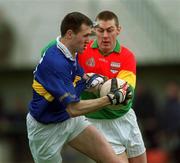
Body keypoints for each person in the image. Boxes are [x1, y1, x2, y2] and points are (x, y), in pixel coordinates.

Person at [26, 12, 127, 163]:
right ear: (69, 34)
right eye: (85, 35)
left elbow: (78, 76)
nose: (89, 40)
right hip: (45, 129)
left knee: (114, 161)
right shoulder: (55, 62)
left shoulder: (71, 50)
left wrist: (93, 80)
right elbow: (73, 108)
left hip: (70, 121)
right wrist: (109, 99)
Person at [78, 10, 147, 163]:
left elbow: (123, 93)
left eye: (110, 30)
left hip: (125, 118)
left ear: (118, 30)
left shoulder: (127, 56)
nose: (105, 36)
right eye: (100, 30)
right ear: (94, 30)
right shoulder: (82, 51)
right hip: (97, 122)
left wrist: (97, 83)